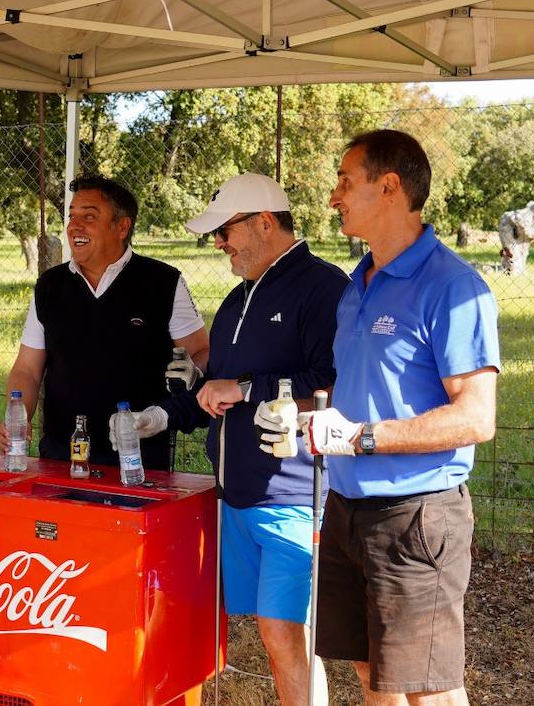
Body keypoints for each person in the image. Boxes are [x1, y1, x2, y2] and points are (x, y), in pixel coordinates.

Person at [302, 130, 498, 706]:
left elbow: (476, 417)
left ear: (389, 187)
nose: (333, 196)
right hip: (346, 507)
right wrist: (310, 419)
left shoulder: (452, 285)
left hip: (415, 514)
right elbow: (361, 387)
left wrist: (362, 438)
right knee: (370, 675)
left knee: (428, 692)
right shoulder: (356, 284)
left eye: (345, 181)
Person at [166, 173, 347, 706]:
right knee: (264, 634)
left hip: (294, 494)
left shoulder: (323, 287)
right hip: (232, 496)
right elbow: (216, 388)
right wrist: (164, 413)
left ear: (265, 223)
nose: (219, 243)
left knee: (286, 632)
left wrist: (247, 389)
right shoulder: (236, 298)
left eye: (225, 231)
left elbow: (332, 381)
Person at [2, 175, 208, 470]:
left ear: (122, 227)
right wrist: (16, 418)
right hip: (63, 456)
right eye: (72, 216)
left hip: (138, 458)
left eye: (89, 216)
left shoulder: (163, 282)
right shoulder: (49, 286)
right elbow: (27, 370)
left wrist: (191, 374)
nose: (75, 226)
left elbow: (201, 352)